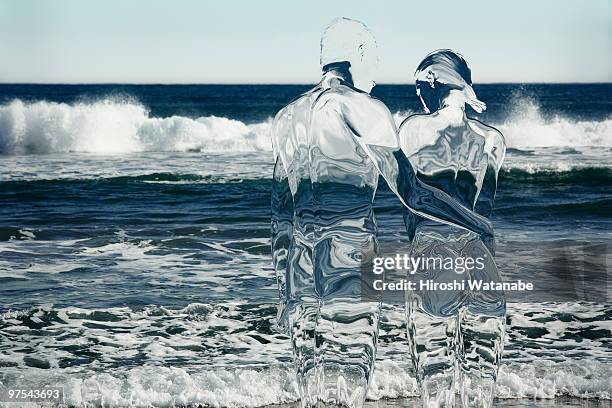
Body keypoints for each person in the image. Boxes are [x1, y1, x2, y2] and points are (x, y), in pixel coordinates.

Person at [271, 21, 494, 408]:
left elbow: (279, 213)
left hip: (299, 271)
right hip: (352, 259)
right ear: (357, 57)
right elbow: (411, 193)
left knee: (312, 395)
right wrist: (478, 223)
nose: (376, 71)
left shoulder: (286, 116)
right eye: (374, 59)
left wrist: (280, 288)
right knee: (349, 391)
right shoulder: (366, 108)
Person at [398, 49, 506, 408]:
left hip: (430, 251)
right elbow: (485, 210)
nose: (417, 94)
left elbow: (411, 202)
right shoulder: (493, 139)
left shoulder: (412, 129)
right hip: (479, 255)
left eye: (420, 84)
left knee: (433, 364)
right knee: (481, 364)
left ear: (439, 82)